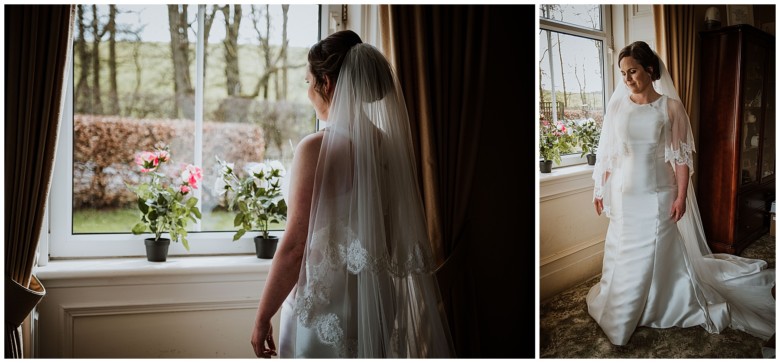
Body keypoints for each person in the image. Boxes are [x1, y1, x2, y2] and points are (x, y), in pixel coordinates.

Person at [249, 30, 455, 358]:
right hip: (378, 304)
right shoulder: (387, 147)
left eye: (307, 83)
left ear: (326, 83)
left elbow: (294, 246)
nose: (308, 93)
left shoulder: (315, 149)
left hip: (325, 305)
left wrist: (262, 317)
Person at [588, 40, 775, 346]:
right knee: (621, 251)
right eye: (622, 74)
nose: (627, 80)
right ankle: (625, 301)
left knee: (656, 251)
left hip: (658, 194)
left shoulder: (671, 108)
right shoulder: (618, 106)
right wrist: (600, 188)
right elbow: (610, 153)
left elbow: (680, 159)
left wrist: (680, 196)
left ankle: (664, 302)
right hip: (624, 195)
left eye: (632, 71)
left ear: (649, 70)